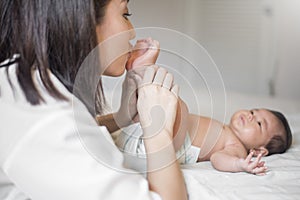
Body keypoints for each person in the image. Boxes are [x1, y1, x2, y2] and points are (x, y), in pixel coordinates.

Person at [0, 0, 188, 200]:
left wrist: (120, 117)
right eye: (125, 15)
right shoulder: (46, 121)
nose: (132, 33)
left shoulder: (20, 85)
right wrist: (159, 133)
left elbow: (70, 133)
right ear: (84, 21)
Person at [115, 40, 293, 176]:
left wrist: (239, 165)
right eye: (254, 111)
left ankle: (143, 73)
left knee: (178, 107)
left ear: (259, 150)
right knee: (147, 108)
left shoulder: (235, 147)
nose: (251, 116)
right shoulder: (224, 128)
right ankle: (133, 80)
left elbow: (218, 159)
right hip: (139, 132)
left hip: (162, 148)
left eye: (260, 124)